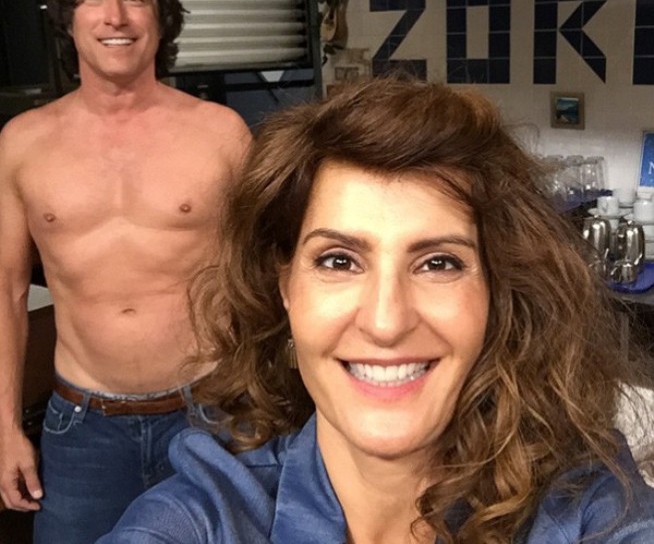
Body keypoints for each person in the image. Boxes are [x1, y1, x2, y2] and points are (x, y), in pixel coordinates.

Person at [99, 78, 654, 543]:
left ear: (496, 292)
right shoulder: (205, 519)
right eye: (339, 261)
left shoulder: (586, 504)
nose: (386, 323)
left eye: (438, 263)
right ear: (285, 287)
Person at [0, 0, 251, 543]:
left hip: (208, 415)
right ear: (68, 18)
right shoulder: (22, 143)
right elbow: (7, 292)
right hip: (83, 429)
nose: (115, 17)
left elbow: (265, 277)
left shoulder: (222, 134)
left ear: (161, 17)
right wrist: (4, 427)